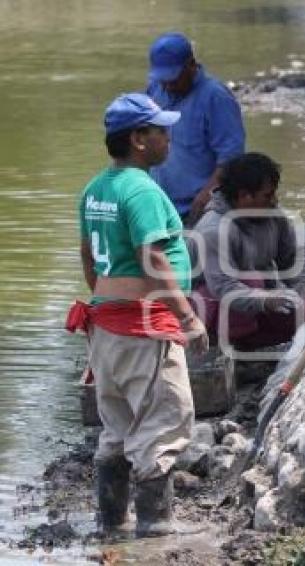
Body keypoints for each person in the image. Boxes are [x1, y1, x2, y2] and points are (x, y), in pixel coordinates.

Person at [66, 93, 208, 537]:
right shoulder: (143, 190)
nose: (168, 138)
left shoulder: (96, 188)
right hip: (145, 327)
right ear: (138, 139)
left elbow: (89, 257)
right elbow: (153, 258)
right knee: (163, 421)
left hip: (107, 326)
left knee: (117, 424)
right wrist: (186, 317)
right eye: (160, 131)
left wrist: (108, 301)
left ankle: (111, 524)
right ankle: (155, 532)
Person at [191, 152, 305, 350]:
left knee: (304, 315)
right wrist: (265, 301)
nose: (274, 201)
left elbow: (293, 259)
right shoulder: (214, 230)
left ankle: (259, 344)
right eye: (267, 195)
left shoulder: (273, 216)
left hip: (255, 299)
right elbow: (223, 287)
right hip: (210, 305)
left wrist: (303, 289)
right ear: (244, 196)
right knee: (252, 280)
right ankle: (230, 347)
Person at [146, 32, 245, 225]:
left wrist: (207, 193)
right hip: (160, 205)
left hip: (199, 210)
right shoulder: (155, 89)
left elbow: (232, 159)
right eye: (163, 79)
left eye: (173, 78)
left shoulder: (216, 97)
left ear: (191, 65)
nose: (167, 85)